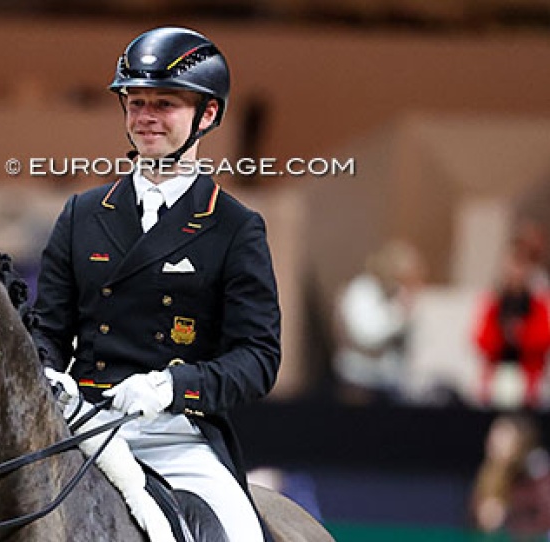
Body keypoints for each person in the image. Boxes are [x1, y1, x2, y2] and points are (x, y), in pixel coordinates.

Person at [32, 27, 281, 541]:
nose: (145, 117)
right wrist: (47, 374)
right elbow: (48, 330)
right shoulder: (82, 215)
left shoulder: (234, 227)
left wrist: (172, 386)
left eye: (164, 104)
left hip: (176, 436)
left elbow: (257, 357)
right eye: (136, 102)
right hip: (81, 423)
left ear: (206, 115)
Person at [333, 239, 425, 404]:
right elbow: (367, 336)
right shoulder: (362, 290)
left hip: (388, 382)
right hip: (360, 380)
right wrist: (399, 313)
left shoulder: (394, 294)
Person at [475, 253, 550, 410]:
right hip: (497, 372)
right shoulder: (494, 304)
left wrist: (520, 334)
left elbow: (543, 338)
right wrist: (503, 335)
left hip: (528, 374)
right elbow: (481, 339)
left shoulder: (537, 304)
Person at [470, 413, 550, 536]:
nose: (494, 443)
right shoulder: (489, 474)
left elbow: (543, 520)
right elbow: (475, 519)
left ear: (521, 442)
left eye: (503, 437)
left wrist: (506, 517)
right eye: (494, 436)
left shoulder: (536, 474)